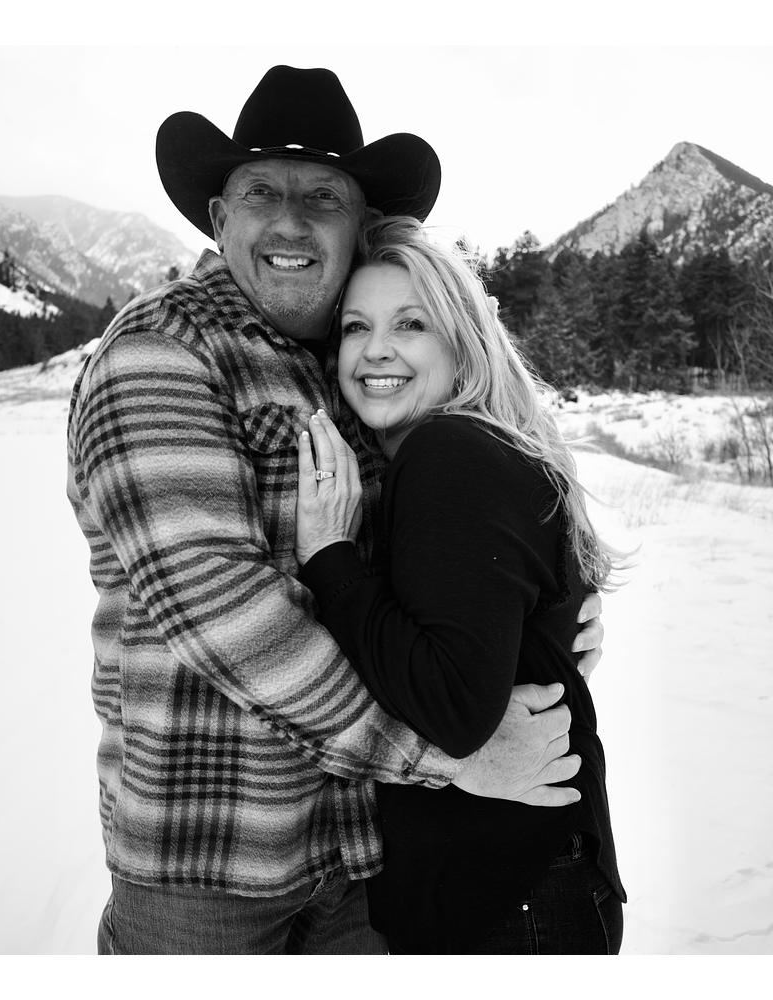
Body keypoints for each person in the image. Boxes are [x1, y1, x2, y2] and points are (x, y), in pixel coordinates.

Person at [66, 65, 605, 955]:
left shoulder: (354, 365)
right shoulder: (160, 354)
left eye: (323, 197)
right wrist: (449, 753)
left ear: (360, 226)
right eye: (261, 193)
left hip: (360, 863)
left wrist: (534, 621)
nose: (290, 221)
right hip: (210, 870)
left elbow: (446, 553)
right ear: (219, 218)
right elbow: (221, 612)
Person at [294, 216, 626, 954]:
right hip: (528, 881)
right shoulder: (483, 447)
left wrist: (330, 559)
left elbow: (456, 708)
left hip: (513, 901)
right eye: (355, 327)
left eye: (410, 324)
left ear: (462, 344)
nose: (376, 349)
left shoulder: (448, 452)